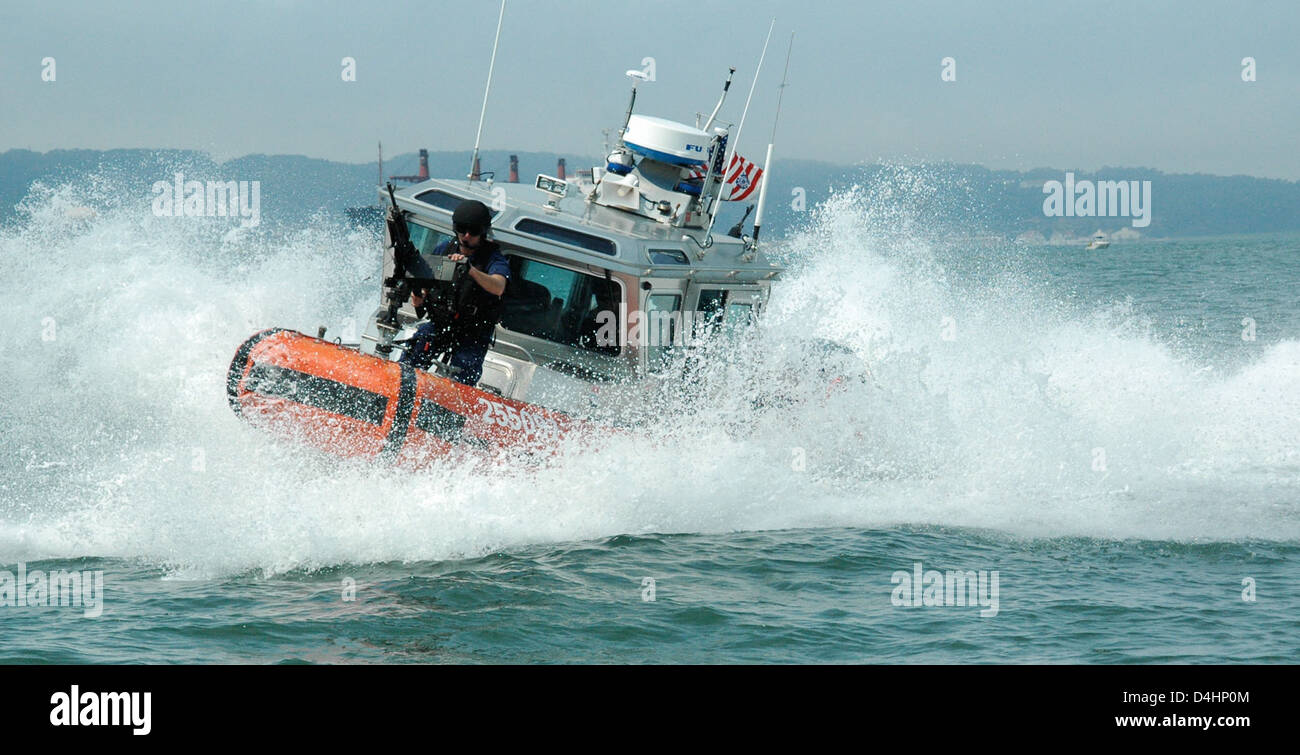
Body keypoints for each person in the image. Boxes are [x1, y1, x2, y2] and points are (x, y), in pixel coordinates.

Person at [400, 199, 509, 386]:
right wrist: (419, 297)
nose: (466, 236)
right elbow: (429, 282)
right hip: (442, 323)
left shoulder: (493, 258)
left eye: (473, 232)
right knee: (415, 350)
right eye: (461, 229)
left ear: (482, 232)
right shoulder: (444, 249)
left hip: (473, 332)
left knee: (464, 371)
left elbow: (498, 285)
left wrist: (470, 269)